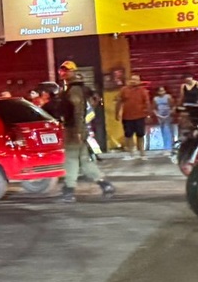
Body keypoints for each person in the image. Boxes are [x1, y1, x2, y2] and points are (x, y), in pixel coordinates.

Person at [57, 72, 115, 204]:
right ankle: (105, 184)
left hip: (73, 130)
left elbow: (77, 112)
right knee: (84, 161)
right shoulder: (86, 92)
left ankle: (69, 191)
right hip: (81, 130)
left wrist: (77, 130)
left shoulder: (74, 92)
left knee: (71, 160)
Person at [117, 74, 151, 158]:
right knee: (128, 135)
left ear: (139, 81)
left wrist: (148, 114)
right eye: (132, 79)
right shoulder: (124, 90)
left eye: (136, 80)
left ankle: (142, 152)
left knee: (140, 134)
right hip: (127, 117)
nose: (134, 81)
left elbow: (147, 103)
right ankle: (131, 152)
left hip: (140, 116)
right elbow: (119, 102)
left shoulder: (143, 90)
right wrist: (117, 113)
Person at [152, 85, 176, 152]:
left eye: (163, 90)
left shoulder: (168, 97)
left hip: (168, 115)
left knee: (168, 130)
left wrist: (169, 113)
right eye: (160, 91)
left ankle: (170, 147)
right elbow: (154, 108)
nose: (161, 92)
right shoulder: (155, 99)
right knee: (163, 130)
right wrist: (158, 115)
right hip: (160, 116)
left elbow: (173, 106)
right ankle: (166, 146)